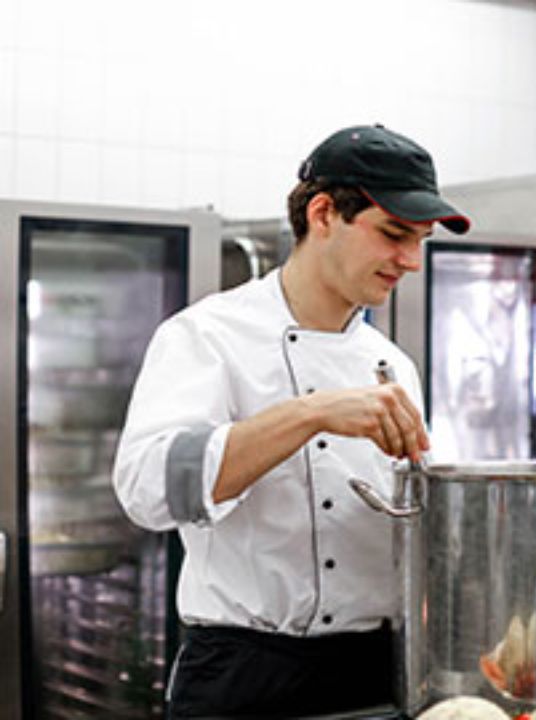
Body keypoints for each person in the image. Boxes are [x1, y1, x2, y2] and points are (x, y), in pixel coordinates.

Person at [113, 124, 470, 717]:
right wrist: (313, 412)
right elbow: (148, 490)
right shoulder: (207, 337)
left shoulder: (393, 366)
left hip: (375, 670)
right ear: (324, 212)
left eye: (420, 241)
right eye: (393, 234)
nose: (410, 260)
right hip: (241, 673)